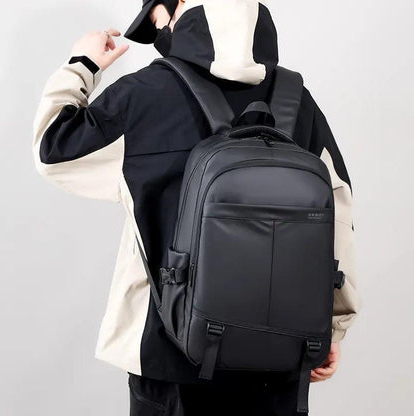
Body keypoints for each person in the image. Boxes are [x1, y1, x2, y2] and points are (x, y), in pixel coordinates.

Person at [32, 0, 361, 414]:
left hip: (167, 354)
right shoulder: (298, 100)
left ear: (179, 5)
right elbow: (338, 215)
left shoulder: (144, 93)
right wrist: (331, 326)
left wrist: (82, 64)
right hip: (282, 350)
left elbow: (53, 151)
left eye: (156, 18)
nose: (159, 33)